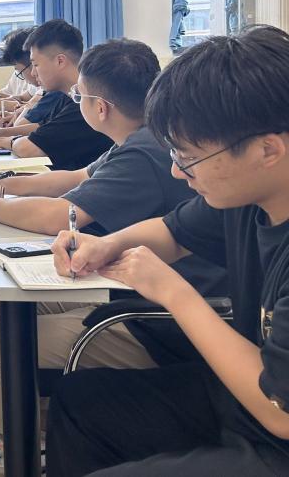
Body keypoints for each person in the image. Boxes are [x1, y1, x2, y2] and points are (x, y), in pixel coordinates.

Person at [0, 38, 226, 469]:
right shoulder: (140, 140)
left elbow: (61, 214)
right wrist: (2, 185)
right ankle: (30, 420)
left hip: (159, 318)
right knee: (18, 301)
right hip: (143, 286)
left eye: (81, 97)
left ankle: (14, 444)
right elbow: (76, 178)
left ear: (100, 107)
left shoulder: (145, 153)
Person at [45, 25, 289, 477]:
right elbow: (173, 233)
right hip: (240, 400)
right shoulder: (248, 195)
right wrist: (108, 243)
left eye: (188, 157)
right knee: (79, 402)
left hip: (277, 436)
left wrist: (174, 292)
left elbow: (281, 413)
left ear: (267, 150)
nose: (177, 173)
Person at [0, 19, 112, 170]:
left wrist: (0, 140)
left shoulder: (86, 102)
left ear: (60, 61)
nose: (33, 73)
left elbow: (29, 149)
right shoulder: (66, 96)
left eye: (36, 64)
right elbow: (42, 128)